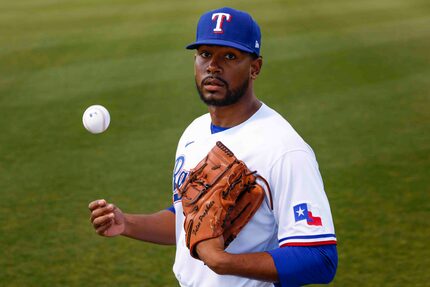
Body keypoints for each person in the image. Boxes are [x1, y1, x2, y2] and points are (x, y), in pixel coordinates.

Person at [89, 7, 338, 287]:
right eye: (205, 54)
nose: (213, 66)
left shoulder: (284, 150)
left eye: (229, 56)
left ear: (255, 67)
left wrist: (223, 262)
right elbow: (190, 219)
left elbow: (321, 258)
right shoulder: (194, 132)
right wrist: (127, 224)